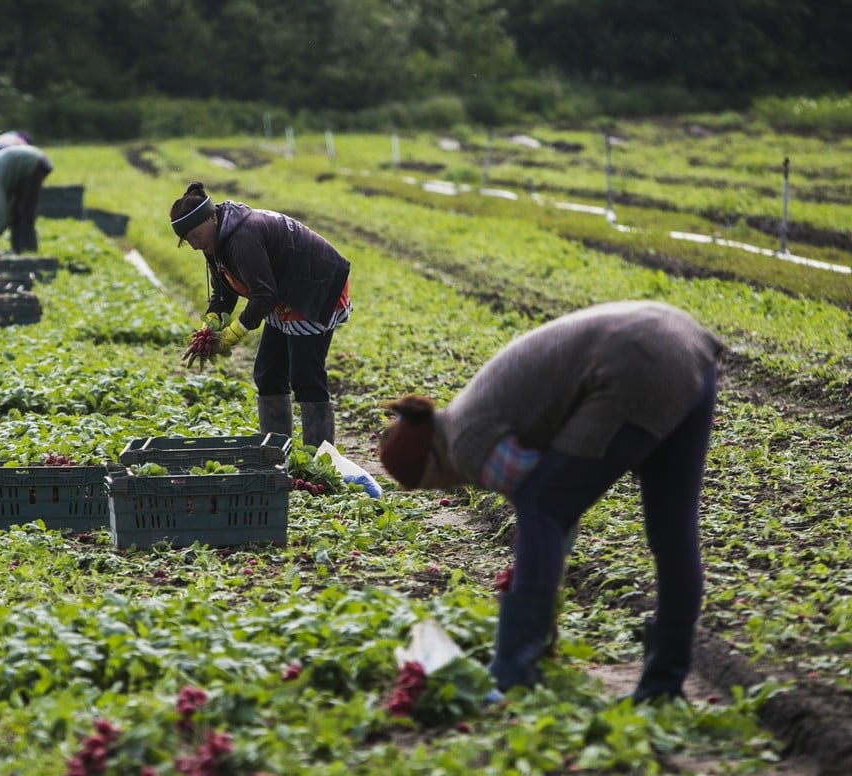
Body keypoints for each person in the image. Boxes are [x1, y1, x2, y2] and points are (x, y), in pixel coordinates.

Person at [376, 300, 722, 702]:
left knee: (541, 507)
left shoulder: (464, 443)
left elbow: (546, 507)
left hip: (635, 361)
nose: (449, 488)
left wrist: (529, 595)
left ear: (431, 459)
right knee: (672, 532)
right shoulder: (466, 415)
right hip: (683, 342)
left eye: (434, 484)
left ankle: (512, 675)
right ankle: (663, 686)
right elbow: (562, 492)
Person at [169, 181, 351, 448]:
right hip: (283, 293)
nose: (195, 246)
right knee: (268, 373)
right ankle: (277, 451)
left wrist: (235, 331)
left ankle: (321, 457)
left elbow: (264, 294)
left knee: (305, 376)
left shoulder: (243, 238)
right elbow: (224, 288)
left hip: (314, 287)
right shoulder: (216, 240)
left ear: (212, 217)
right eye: (188, 241)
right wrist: (212, 322)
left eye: (196, 236)